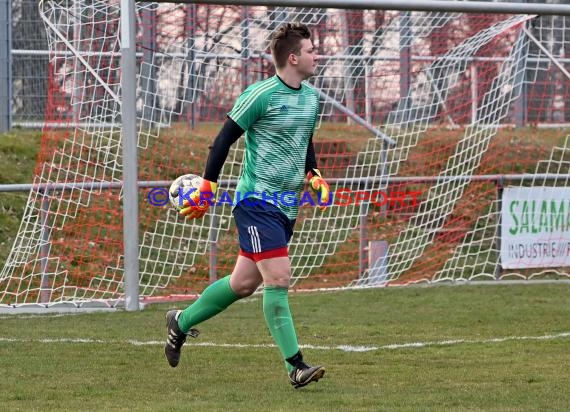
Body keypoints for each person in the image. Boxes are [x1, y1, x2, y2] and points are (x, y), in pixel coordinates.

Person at [163, 22, 331, 389]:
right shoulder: (261, 95)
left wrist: (314, 174)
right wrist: (208, 185)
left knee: (242, 284)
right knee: (279, 277)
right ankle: (296, 366)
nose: (316, 55)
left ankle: (181, 322)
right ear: (292, 57)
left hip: (286, 206)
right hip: (255, 201)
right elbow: (223, 140)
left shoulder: (312, 98)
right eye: (310, 50)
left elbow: (305, 142)